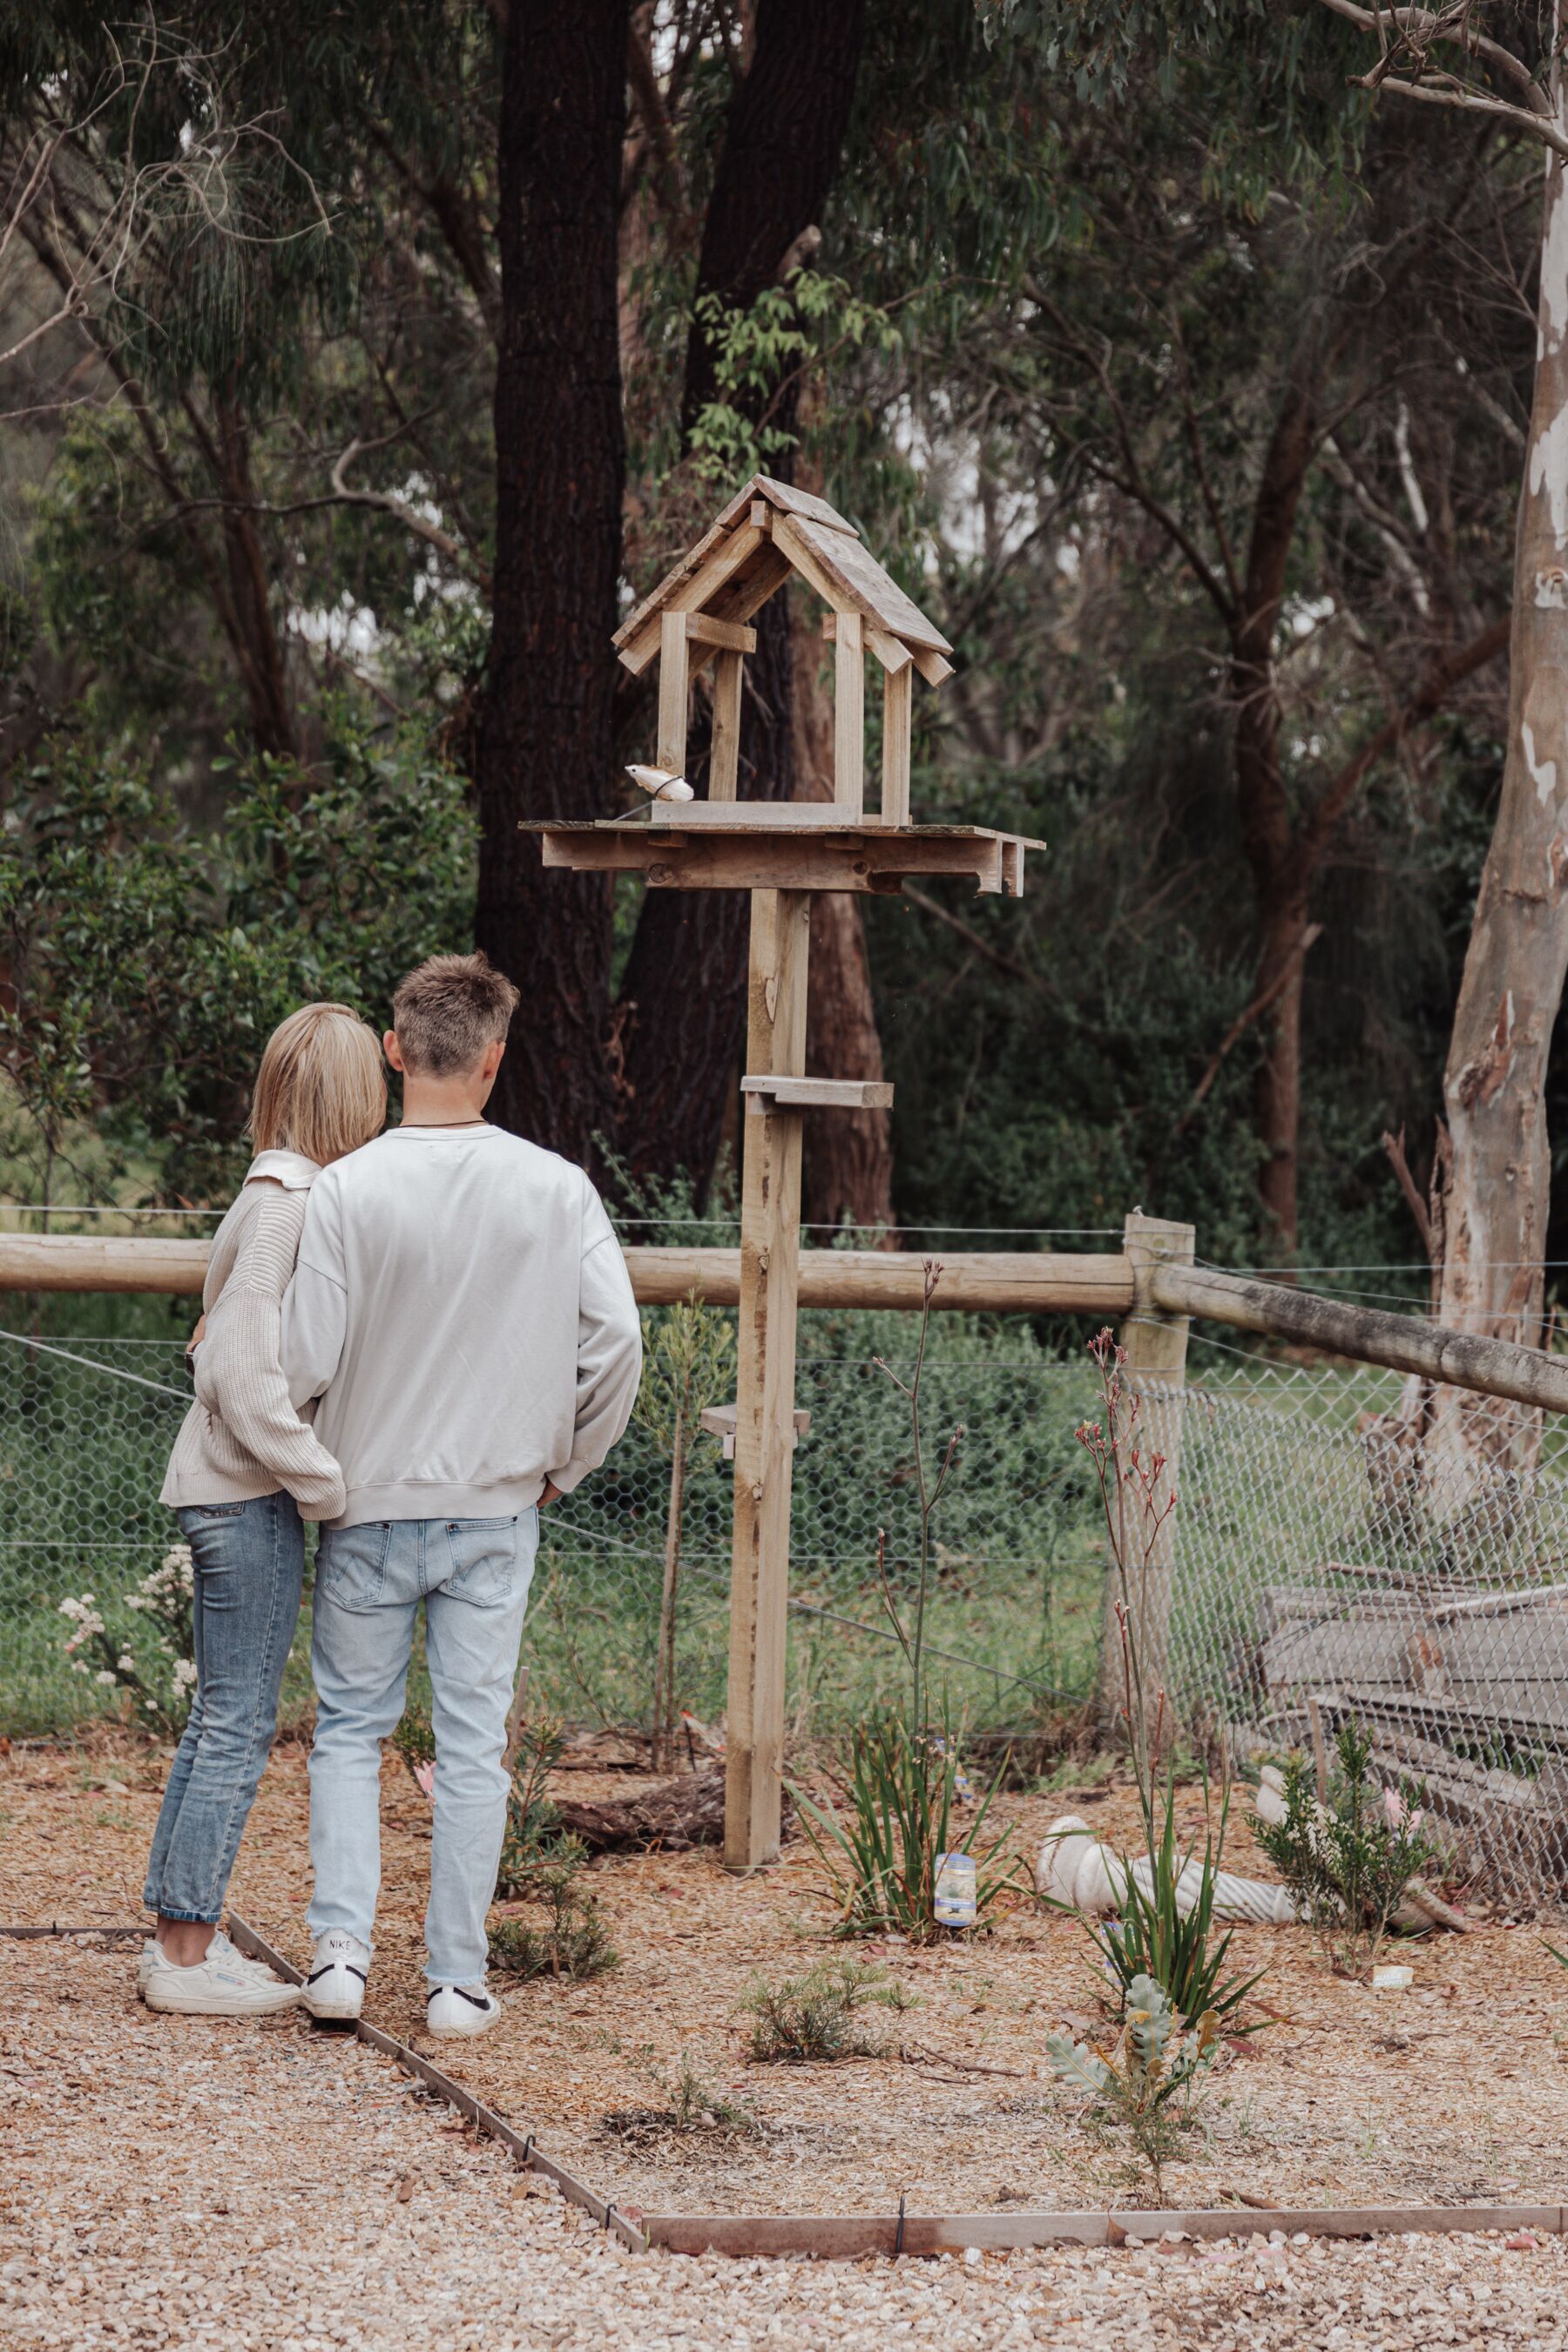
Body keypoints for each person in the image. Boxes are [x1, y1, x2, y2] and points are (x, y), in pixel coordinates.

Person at [282, 950, 642, 2038]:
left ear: (396, 1051)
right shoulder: (555, 1187)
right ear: (494, 1058)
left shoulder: (347, 1189)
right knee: (474, 1746)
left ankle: (341, 1955)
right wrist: (561, 1464)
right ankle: (455, 1979)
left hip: (369, 1502)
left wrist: (313, 1462)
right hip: (496, 1506)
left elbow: (302, 1358)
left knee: (350, 1731)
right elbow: (615, 1343)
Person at [140, 1003, 388, 2016]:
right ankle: (185, 1960)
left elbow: (219, 1342)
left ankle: (179, 1939)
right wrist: (323, 1482)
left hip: (230, 1492)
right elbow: (240, 1370)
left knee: (220, 1720)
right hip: (247, 1497)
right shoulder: (292, 1199)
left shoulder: (272, 1191)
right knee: (238, 1723)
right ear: (351, 1092)